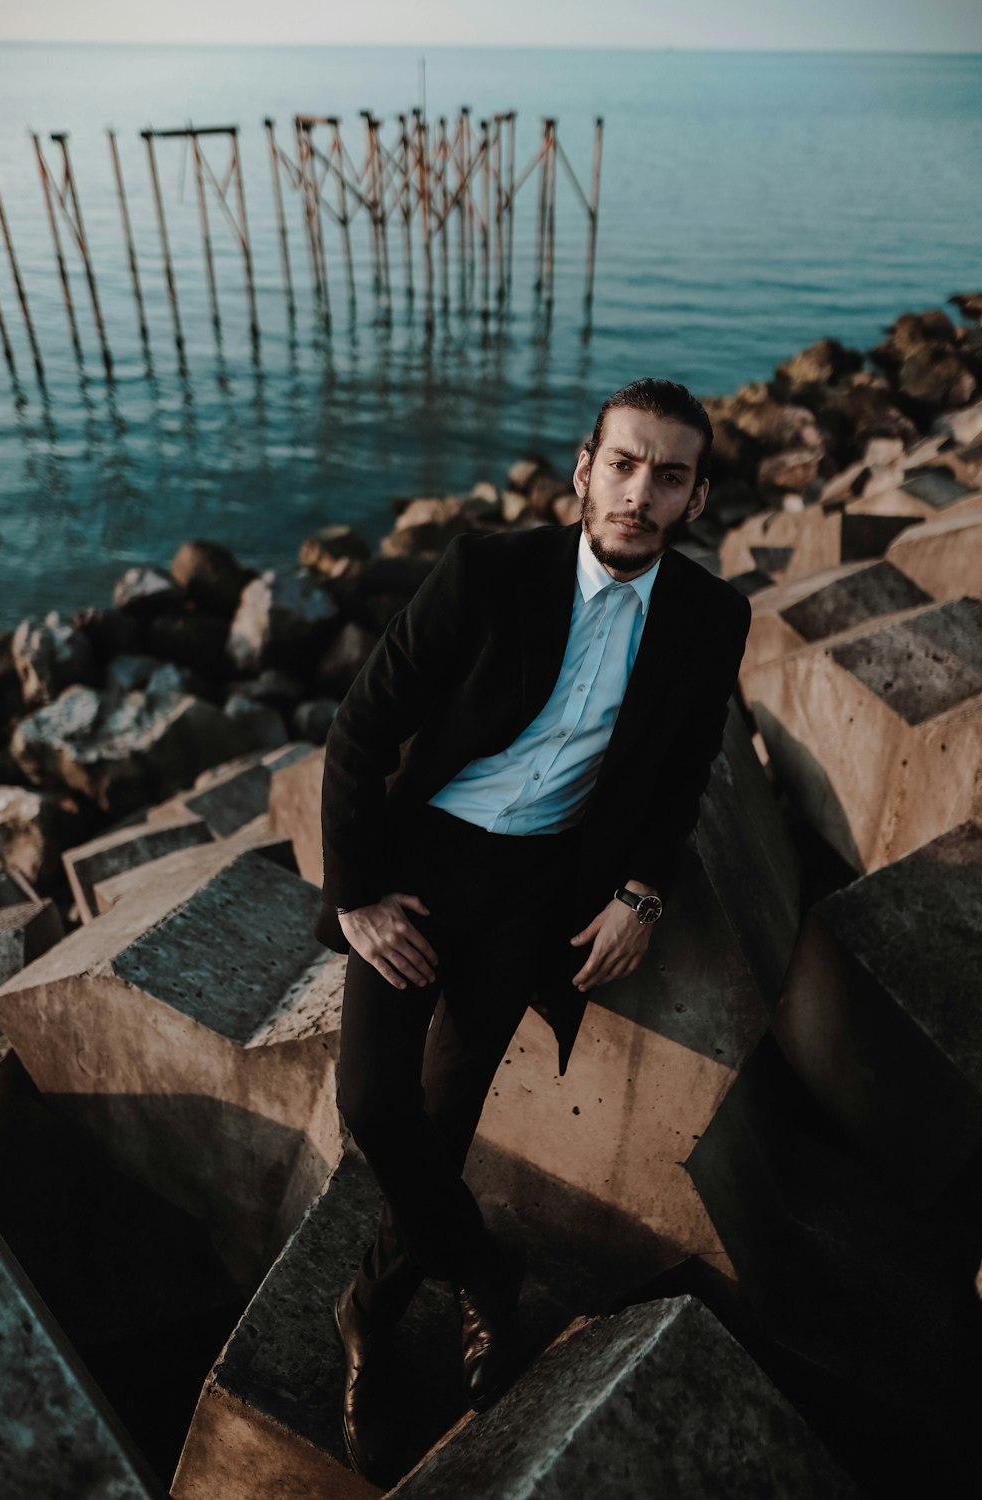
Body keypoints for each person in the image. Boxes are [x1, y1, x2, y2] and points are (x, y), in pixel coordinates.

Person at [316, 378, 751, 1483]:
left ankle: (368, 1315)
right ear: (582, 470)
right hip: (420, 868)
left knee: (444, 1110)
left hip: (540, 886)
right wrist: (356, 898)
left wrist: (642, 894)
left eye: (668, 475)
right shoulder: (486, 570)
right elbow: (360, 734)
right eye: (623, 464)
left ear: (696, 498)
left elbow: (684, 770)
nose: (639, 493)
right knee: (371, 1101)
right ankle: (487, 1274)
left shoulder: (710, 618)